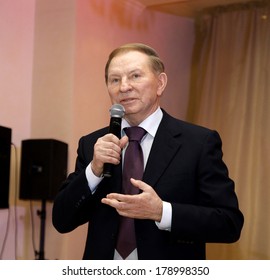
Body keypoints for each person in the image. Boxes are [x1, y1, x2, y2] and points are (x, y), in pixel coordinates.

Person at [52, 43, 244, 260]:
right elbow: (62, 220)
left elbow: (229, 223)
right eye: (115, 80)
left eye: (135, 76)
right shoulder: (92, 144)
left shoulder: (198, 143)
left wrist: (162, 212)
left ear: (160, 83)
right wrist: (94, 170)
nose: (124, 87)